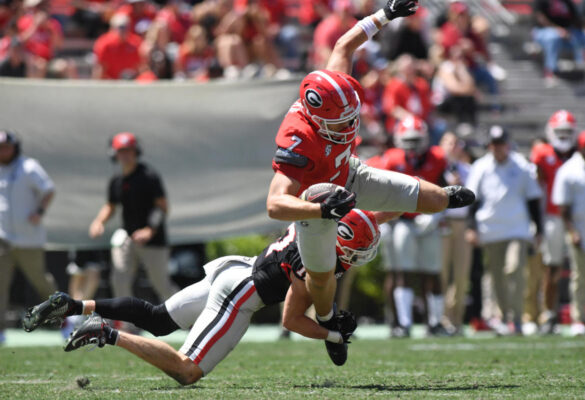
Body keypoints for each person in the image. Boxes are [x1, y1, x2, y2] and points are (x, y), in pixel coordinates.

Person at [266, 0, 474, 361]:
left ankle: (441, 197)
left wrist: (385, 15)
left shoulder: (335, 87)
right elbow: (275, 204)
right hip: (316, 205)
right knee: (320, 280)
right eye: (340, 121)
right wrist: (319, 210)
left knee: (437, 199)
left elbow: (343, 45)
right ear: (317, 120)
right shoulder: (298, 138)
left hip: (349, 173)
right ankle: (331, 327)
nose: (350, 124)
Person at [23, 209, 380, 383]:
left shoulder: (317, 218)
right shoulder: (315, 264)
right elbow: (291, 319)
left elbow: (374, 210)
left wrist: (434, 197)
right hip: (242, 293)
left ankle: (73, 305)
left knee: (159, 318)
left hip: (236, 269)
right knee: (187, 370)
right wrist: (334, 333)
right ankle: (106, 331)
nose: (358, 258)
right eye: (357, 250)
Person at [372, 116, 447, 337]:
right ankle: (403, 324)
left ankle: (434, 323)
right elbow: (382, 193)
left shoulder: (438, 158)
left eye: (416, 140)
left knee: (432, 272)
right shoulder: (392, 160)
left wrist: (437, 214)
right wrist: (385, 220)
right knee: (402, 272)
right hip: (401, 221)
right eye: (409, 140)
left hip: (428, 221)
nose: (413, 145)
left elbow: (446, 189)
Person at [466, 126, 543, 335]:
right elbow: (473, 200)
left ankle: (517, 319)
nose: (498, 148)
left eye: (501, 143)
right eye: (495, 144)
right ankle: (505, 317)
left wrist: (539, 230)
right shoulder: (481, 167)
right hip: (490, 229)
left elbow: (533, 199)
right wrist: (471, 227)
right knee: (497, 276)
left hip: (517, 228)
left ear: (507, 144)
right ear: (490, 146)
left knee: (515, 268)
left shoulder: (522, 166)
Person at [88, 132, 178, 303]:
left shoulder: (149, 176)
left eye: (129, 151)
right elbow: (111, 205)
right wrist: (99, 221)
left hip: (154, 241)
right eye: (121, 151)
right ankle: (129, 326)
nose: (125, 155)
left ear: (137, 152)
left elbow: (162, 207)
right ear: (114, 154)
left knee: (161, 285)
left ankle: (192, 318)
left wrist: (149, 230)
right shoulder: (117, 180)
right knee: (119, 280)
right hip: (128, 238)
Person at [0, 130, 56, 345]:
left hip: (29, 240)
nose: (3, 152)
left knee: (41, 281)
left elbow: (48, 190)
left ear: (15, 147)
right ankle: (0, 329)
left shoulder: (29, 166)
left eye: (6, 147)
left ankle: (65, 318)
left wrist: (39, 212)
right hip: (3, 238)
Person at [529, 110, 577, 334]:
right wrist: (537, 223)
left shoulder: (582, 154)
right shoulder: (542, 154)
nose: (564, 136)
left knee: (580, 268)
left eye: (568, 131)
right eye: (560, 132)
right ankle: (549, 313)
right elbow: (535, 190)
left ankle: (579, 315)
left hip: (579, 218)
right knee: (552, 267)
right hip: (552, 217)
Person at [552, 130, 585, 336]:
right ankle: (579, 318)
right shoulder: (569, 170)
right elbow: (563, 207)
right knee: (581, 277)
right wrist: (573, 232)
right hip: (582, 233)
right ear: (581, 148)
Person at [439, 132, 472, 334]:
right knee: (441, 272)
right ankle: (442, 318)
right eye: (448, 142)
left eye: (455, 143)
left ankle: (456, 318)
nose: (452, 146)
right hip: (442, 222)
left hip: (462, 222)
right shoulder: (436, 168)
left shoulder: (468, 170)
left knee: (461, 273)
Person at [532, 0, 585, 86]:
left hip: (566, 33)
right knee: (554, 37)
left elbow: (576, 18)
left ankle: (583, 68)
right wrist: (558, 29)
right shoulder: (542, 1)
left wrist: (577, 29)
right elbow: (540, 18)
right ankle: (550, 72)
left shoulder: (567, 2)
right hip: (543, 31)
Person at [92, 14, 143, 80]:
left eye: (126, 27)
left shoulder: (136, 42)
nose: (123, 30)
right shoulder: (104, 43)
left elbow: (141, 66)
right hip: (110, 82)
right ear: (112, 28)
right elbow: (100, 67)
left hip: (131, 81)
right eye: (120, 27)